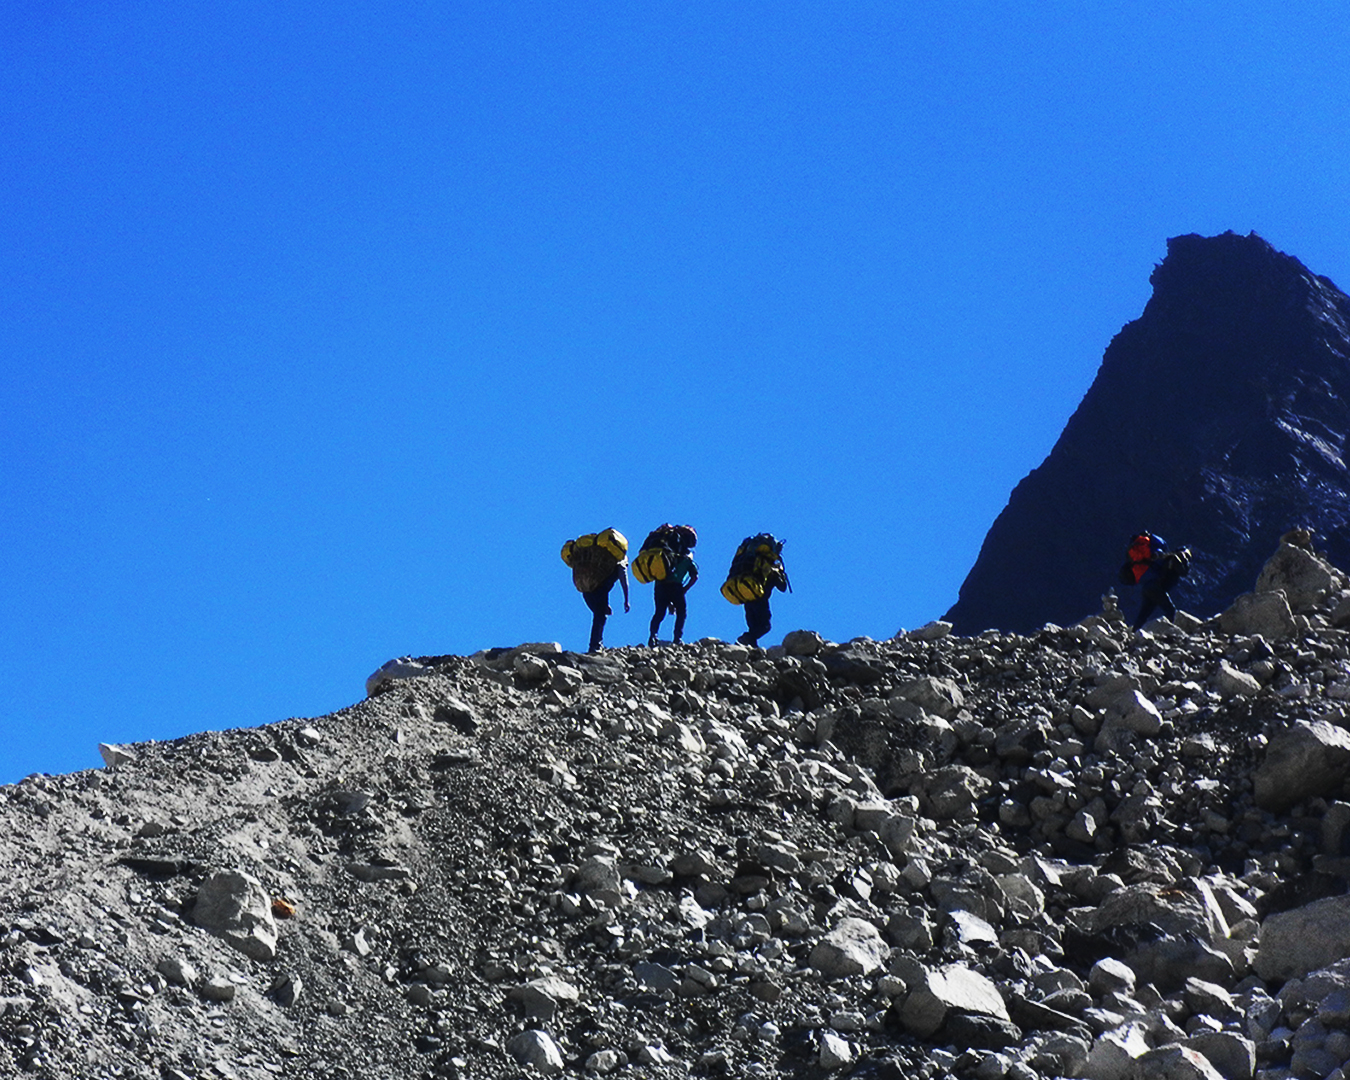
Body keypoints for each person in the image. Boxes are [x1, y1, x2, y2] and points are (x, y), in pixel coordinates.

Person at [1129, 533, 1191, 630]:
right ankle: (1177, 630)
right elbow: (1183, 572)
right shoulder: (1175, 559)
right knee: (1170, 610)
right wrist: (1185, 561)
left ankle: (1135, 632)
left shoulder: (1165, 559)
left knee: (1144, 613)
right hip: (1156, 588)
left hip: (1148, 586)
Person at [648, 530, 698, 646]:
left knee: (659, 612)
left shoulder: (665, 554)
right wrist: (684, 590)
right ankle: (677, 639)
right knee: (681, 612)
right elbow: (695, 576)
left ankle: (653, 636)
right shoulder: (686, 556)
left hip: (660, 585)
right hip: (676, 586)